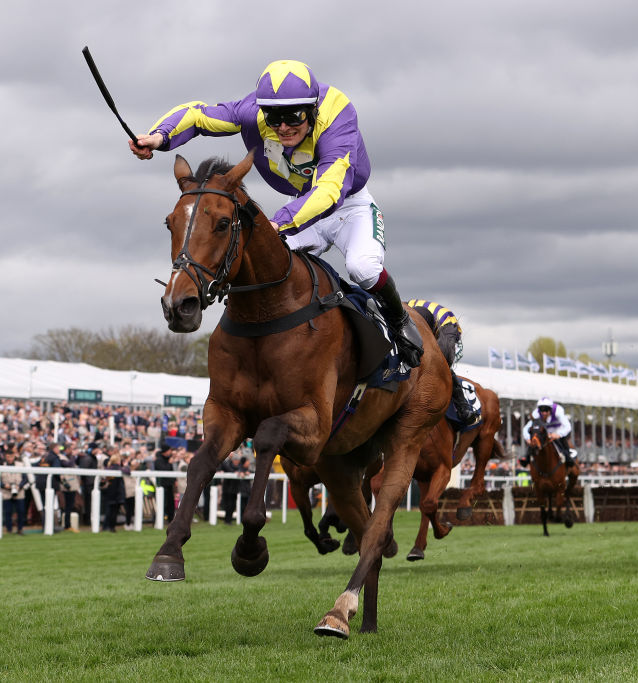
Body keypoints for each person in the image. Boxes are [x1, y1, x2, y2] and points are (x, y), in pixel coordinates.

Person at [129, 59, 422, 368]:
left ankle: (398, 319)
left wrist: (278, 221)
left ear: (312, 110)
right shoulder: (251, 111)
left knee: (362, 268)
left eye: (293, 116)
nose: (282, 127)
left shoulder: (337, 113)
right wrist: (159, 136)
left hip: (348, 205)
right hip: (300, 207)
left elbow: (327, 192)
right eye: (273, 118)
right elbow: (198, 115)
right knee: (265, 270)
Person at [407, 299, 478, 425]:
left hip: (443, 325)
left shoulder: (449, 327)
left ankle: (463, 408)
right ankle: (464, 408)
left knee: (441, 366)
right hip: (420, 319)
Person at [519, 397, 574, 469]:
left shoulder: (558, 411)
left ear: (550, 409)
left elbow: (568, 427)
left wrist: (558, 434)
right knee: (534, 440)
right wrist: (528, 438)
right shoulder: (536, 414)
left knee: (562, 442)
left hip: (557, 430)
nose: (544, 413)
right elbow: (525, 429)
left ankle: (568, 457)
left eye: (546, 410)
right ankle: (527, 458)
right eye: (542, 410)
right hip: (545, 431)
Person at [2, 447, 30, 534]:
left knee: (21, 511)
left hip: (19, 492)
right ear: (5, 457)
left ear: (14, 456)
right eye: (7, 457)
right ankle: (9, 529)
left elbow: (26, 478)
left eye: (11, 456)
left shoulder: (20, 465)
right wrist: (4, 485)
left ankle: (20, 529)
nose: (9, 458)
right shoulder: (2, 465)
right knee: (7, 512)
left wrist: (19, 486)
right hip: (6, 492)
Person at [153, 444, 176, 523]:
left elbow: (172, 472)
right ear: (166, 451)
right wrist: (169, 463)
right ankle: (158, 520)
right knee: (162, 504)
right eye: (169, 450)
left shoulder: (168, 459)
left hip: (169, 485)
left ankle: (171, 520)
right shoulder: (158, 460)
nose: (171, 452)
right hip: (162, 486)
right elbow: (163, 471)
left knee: (171, 504)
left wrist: (174, 481)